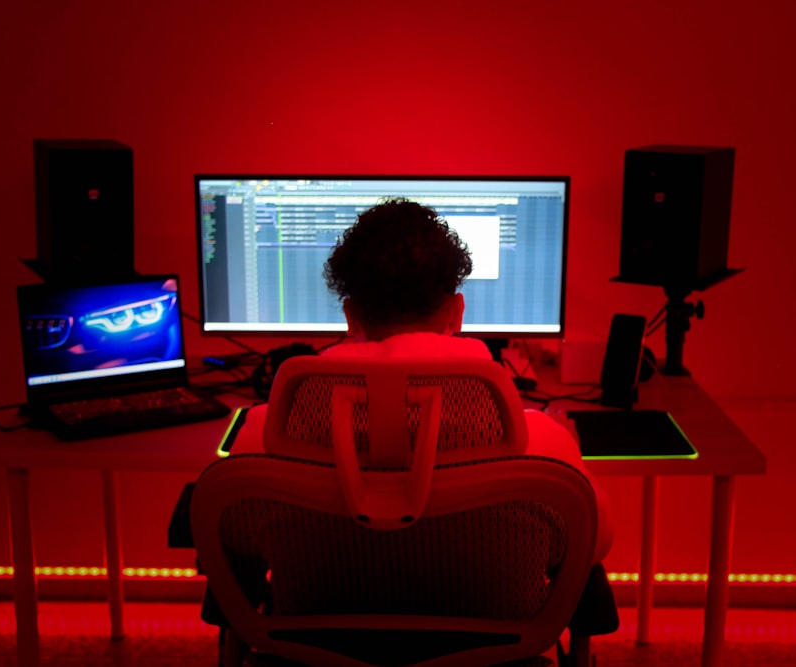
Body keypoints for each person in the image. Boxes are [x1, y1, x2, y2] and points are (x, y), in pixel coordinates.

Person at [227, 196, 614, 563]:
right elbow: (594, 543)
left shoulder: (270, 432)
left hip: (311, 629)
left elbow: (235, 535)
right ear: (456, 312)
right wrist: (568, 447)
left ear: (350, 316)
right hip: (489, 632)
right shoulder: (541, 443)